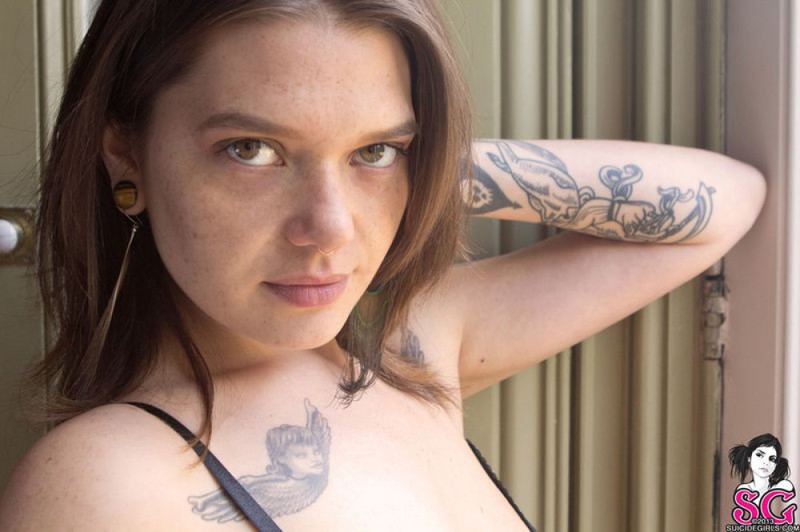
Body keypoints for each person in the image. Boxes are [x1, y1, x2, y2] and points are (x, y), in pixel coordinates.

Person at [0, 0, 765, 530]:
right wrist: (362, 152)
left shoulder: (405, 352)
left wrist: (422, 166)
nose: (330, 230)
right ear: (126, 152)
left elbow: (725, 203)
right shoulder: (102, 484)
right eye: (251, 150)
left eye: (377, 149)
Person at [729, 434, 794, 505]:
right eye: (759, 455)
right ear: (749, 457)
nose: (766, 462)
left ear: (776, 465)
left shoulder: (784, 486)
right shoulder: (743, 489)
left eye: (772, 459)